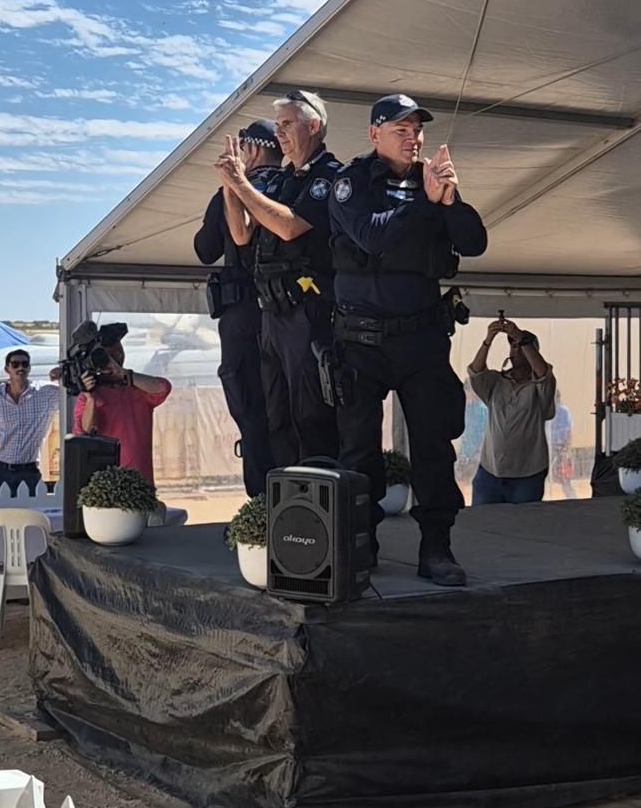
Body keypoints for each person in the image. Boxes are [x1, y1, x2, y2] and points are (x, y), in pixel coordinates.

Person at [329, 94, 488, 585]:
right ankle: (361, 545)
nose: (412, 137)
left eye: (416, 129)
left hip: (421, 341)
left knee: (434, 449)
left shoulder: (433, 185)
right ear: (374, 134)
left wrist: (451, 197)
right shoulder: (351, 183)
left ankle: (437, 549)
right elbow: (373, 237)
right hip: (361, 342)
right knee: (358, 452)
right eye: (401, 129)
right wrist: (426, 198)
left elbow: (474, 242)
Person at [214, 90, 341, 466]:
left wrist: (241, 184)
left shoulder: (328, 177)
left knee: (310, 416)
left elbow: (288, 227)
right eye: (279, 125)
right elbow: (241, 235)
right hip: (271, 314)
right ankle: (286, 506)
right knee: (277, 416)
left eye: (288, 124)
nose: (280, 133)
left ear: (313, 126)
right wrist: (229, 182)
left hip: (308, 312)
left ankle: (319, 508)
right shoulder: (285, 179)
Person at [194, 120, 282, 497]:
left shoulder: (234, 191)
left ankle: (263, 505)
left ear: (251, 150)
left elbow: (205, 249)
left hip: (244, 316)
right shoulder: (292, 187)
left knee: (250, 408)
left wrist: (229, 187)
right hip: (288, 317)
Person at [468, 318, 556, 505]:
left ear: (533, 353)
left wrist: (520, 337)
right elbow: (475, 372)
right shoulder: (496, 381)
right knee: (480, 524)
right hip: (490, 472)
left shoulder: (539, 388)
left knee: (521, 527)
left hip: (528, 474)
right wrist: (488, 340)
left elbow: (543, 375)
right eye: (513, 346)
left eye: (521, 347)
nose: (515, 350)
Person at [72, 337, 171, 486]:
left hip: (139, 479)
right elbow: (87, 430)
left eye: (118, 352)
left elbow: (163, 387)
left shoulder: (137, 389)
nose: (113, 358)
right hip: (106, 481)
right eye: (107, 355)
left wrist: (124, 374)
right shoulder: (89, 394)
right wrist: (91, 398)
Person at [0, 349, 60, 496]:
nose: (20, 368)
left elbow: (75, 392)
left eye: (24, 364)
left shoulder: (46, 393)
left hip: (29, 470)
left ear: (29, 368)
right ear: (7, 369)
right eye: (15, 364)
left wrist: (62, 373)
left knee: (31, 515)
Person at [548, 390, 576, 498]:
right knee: (563, 479)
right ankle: (571, 498)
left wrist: (566, 449)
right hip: (556, 446)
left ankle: (571, 498)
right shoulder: (562, 411)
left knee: (564, 478)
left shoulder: (563, 411)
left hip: (558, 447)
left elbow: (568, 431)